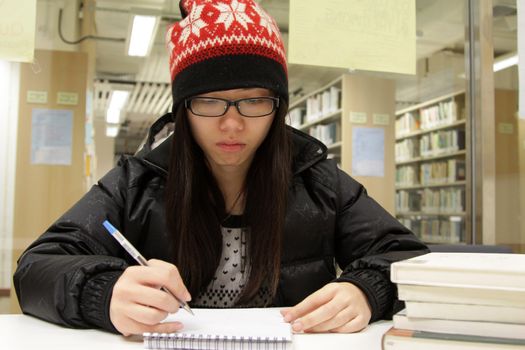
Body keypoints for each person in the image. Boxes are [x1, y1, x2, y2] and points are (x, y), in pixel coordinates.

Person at [14, 0, 428, 337]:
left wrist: (366, 290)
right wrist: (101, 292)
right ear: (183, 109)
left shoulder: (317, 179)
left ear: (278, 106)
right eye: (210, 101)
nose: (232, 124)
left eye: (254, 101)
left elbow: (409, 259)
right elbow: (36, 268)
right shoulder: (136, 181)